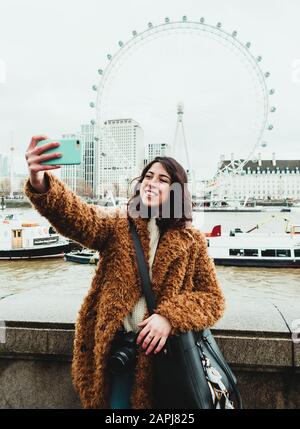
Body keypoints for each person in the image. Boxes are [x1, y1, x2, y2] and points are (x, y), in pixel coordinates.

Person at [24, 135, 225, 409]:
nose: (152, 182)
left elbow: (212, 299)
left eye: (163, 179)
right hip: (120, 354)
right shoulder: (119, 225)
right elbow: (78, 217)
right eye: (148, 176)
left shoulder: (192, 241)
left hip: (167, 363)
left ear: (177, 191)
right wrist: (40, 183)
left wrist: (169, 317)